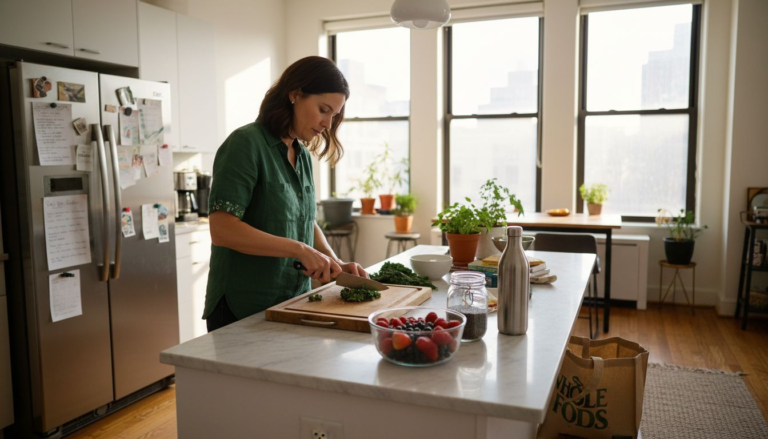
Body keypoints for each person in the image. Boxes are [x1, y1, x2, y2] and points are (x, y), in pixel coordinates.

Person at [203, 56, 366, 332]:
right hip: (242, 307)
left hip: (292, 302)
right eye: (323, 109)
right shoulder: (246, 144)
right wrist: (299, 250)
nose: (328, 123)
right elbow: (222, 229)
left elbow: (304, 217)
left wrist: (333, 261)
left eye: (334, 115)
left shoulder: (301, 154)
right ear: (295, 94)